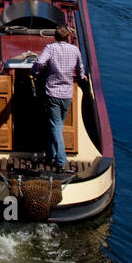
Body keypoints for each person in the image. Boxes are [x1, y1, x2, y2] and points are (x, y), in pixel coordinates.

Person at [30, 26, 86, 170]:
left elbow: (40, 62)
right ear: (68, 37)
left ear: (55, 37)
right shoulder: (75, 50)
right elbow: (80, 68)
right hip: (67, 93)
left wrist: (34, 72)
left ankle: (61, 159)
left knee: (56, 127)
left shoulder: (50, 48)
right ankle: (50, 156)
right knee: (56, 125)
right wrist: (81, 77)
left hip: (52, 93)